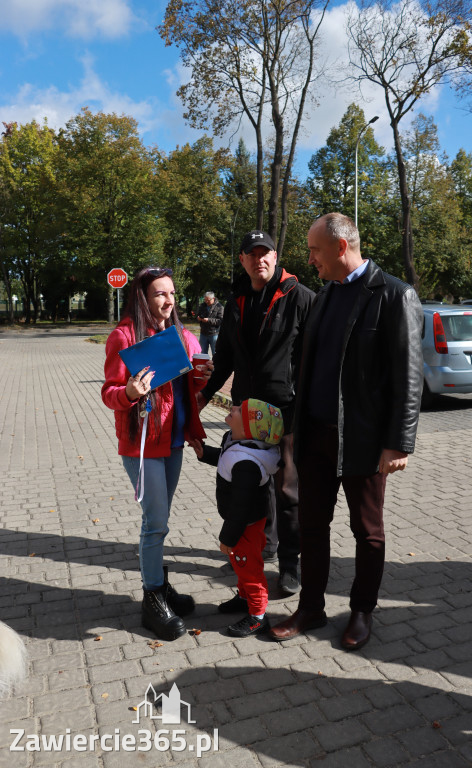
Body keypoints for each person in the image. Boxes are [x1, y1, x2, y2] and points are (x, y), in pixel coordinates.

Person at [269, 213, 423, 650]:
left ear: (340, 246)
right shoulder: (323, 297)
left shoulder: (394, 294)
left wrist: (398, 442)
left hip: (364, 441)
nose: (310, 258)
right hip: (314, 435)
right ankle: (311, 608)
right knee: (312, 525)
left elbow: (409, 376)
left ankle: (361, 611)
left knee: (367, 530)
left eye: (315, 249)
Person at [197, 230, 315, 595]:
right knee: (251, 485)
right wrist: (203, 397)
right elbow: (225, 359)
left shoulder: (301, 298)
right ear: (243, 260)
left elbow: (314, 361)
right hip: (245, 412)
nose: (259, 260)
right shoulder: (235, 302)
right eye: (252, 254)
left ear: (276, 257)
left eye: (266, 253)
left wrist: (308, 409)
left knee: (288, 491)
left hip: (286, 412)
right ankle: (262, 548)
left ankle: (291, 563)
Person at [101, 266, 210, 642]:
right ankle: (152, 599)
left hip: (174, 440)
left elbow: (189, 385)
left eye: (173, 293)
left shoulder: (181, 335)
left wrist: (204, 374)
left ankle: (161, 587)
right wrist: (129, 393)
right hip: (142, 444)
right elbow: (110, 393)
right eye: (161, 294)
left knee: (160, 519)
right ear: (143, 299)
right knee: (155, 521)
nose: (169, 300)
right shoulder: (125, 336)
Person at [189, 399, 284, 637]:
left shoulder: (246, 464)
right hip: (246, 523)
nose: (232, 408)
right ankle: (244, 599)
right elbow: (225, 459)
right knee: (243, 567)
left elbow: (241, 506)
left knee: (249, 570)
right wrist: (205, 453)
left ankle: (258, 616)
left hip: (244, 526)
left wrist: (228, 538)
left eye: (239, 410)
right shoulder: (241, 444)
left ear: (250, 428)